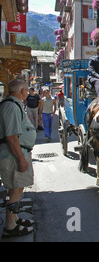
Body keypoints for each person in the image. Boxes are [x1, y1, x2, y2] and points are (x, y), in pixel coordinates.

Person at [0, 79, 36, 238]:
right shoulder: (11, 107)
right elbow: (11, 137)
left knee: (16, 188)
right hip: (13, 156)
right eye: (26, 90)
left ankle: (14, 218)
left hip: (17, 154)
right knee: (15, 191)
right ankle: (10, 225)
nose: (28, 92)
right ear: (21, 91)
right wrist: (21, 159)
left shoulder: (13, 105)